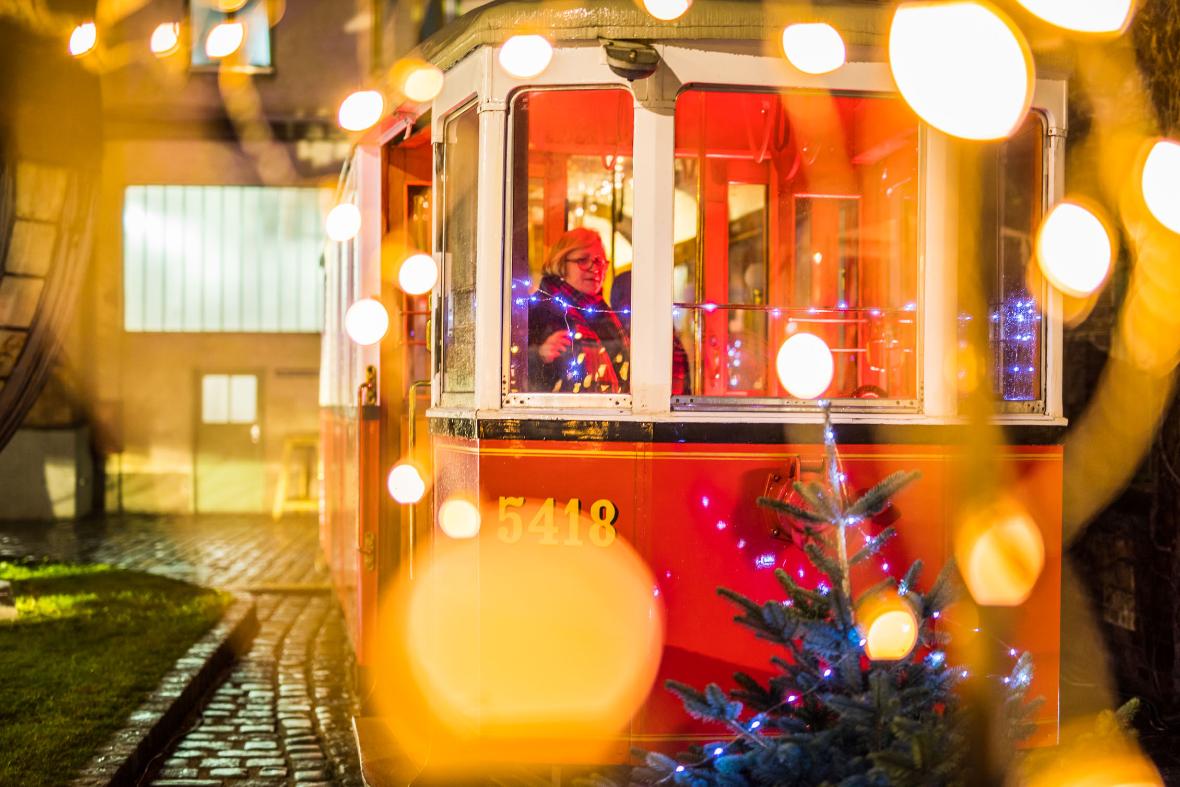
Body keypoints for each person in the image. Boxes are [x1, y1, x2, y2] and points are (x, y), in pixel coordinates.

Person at [528, 228, 629, 393]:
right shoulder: (539, 311)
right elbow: (514, 369)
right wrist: (539, 356)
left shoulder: (607, 316)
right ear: (561, 263)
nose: (595, 268)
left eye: (600, 261)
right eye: (583, 260)